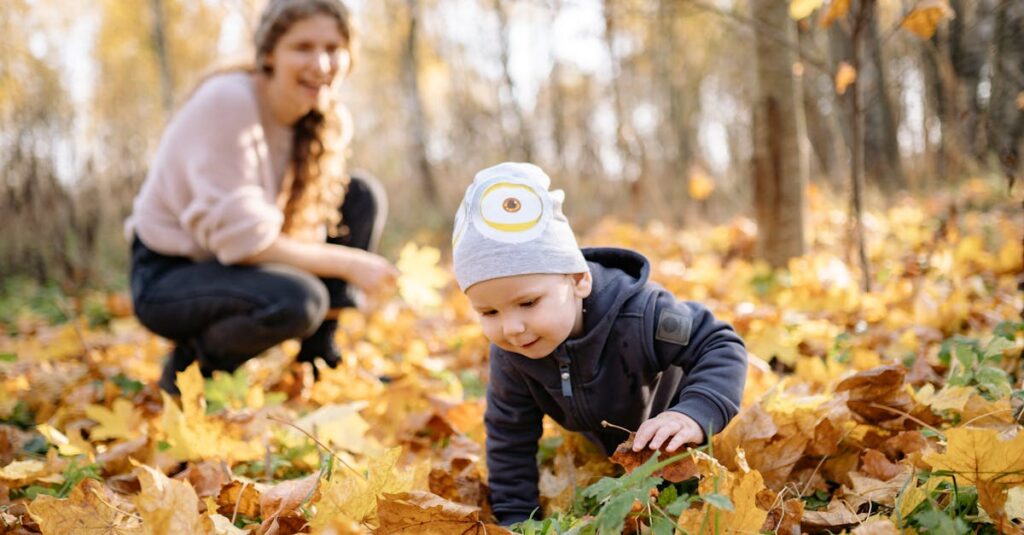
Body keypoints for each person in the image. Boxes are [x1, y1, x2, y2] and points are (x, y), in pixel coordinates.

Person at [125, 0, 398, 395]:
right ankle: (191, 369)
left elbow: (298, 226)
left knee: (359, 196)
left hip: (234, 264)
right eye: (303, 47)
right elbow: (244, 242)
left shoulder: (317, 116)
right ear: (269, 53)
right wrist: (351, 264)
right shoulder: (228, 101)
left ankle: (318, 358)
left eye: (333, 49)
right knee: (300, 299)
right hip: (168, 278)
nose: (321, 64)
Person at [451, 162, 748, 525]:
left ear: (578, 281)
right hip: (615, 452)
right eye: (489, 312)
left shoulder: (643, 315)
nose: (511, 327)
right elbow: (509, 437)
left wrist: (695, 412)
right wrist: (517, 522)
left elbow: (719, 343)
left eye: (528, 303)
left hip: (684, 441)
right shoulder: (513, 356)